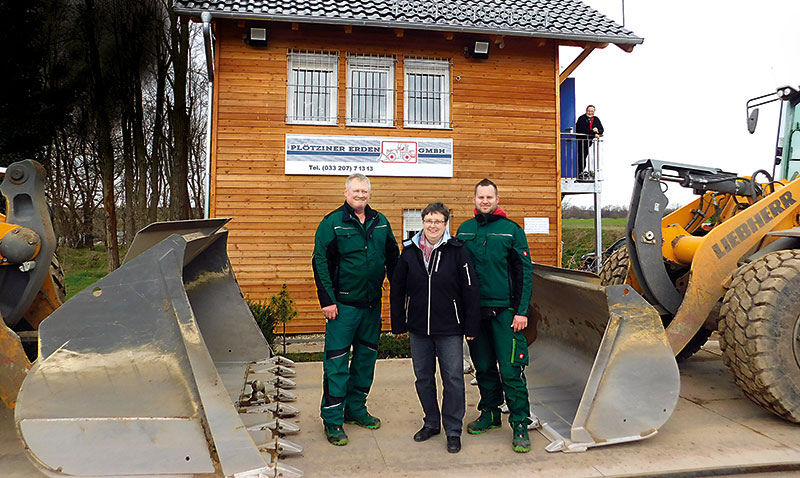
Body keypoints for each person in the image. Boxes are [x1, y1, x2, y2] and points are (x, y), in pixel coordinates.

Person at [312, 173, 399, 446]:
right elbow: (320, 263)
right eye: (356, 190)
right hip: (343, 309)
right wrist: (327, 300)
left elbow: (394, 261)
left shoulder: (380, 222)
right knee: (337, 364)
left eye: (364, 191)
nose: (360, 195)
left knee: (365, 361)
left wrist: (401, 297)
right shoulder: (332, 223)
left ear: (369, 194)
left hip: (372, 307)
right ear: (346, 192)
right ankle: (333, 420)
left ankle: (356, 409)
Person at [390, 202, 481, 454]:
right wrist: (399, 322)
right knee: (423, 378)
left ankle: (453, 429)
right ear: (423, 222)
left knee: (452, 378)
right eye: (429, 220)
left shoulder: (457, 251)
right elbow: (397, 289)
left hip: (450, 328)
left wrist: (471, 325)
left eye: (438, 221)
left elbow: (470, 289)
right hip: (419, 328)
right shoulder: (409, 251)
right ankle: (431, 422)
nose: (433, 225)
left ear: (445, 224)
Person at [456, 178, 534, 453]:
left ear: (497, 199)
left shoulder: (512, 231)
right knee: (484, 367)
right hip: (476, 314)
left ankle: (520, 424)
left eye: (489, 197)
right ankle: (489, 413)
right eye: (481, 197)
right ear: (474, 199)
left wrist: (521, 311)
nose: (485, 201)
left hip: (506, 313)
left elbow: (524, 272)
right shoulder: (464, 231)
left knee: (511, 370)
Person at [575, 104, 604, 178]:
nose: (590, 112)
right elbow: (581, 129)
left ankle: (581, 172)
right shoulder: (581, 118)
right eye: (588, 111)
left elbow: (601, 129)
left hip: (588, 142)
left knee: (584, 156)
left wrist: (598, 131)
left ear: (594, 112)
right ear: (586, 111)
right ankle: (579, 173)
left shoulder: (596, 119)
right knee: (580, 157)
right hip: (581, 141)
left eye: (592, 111)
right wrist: (593, 133)